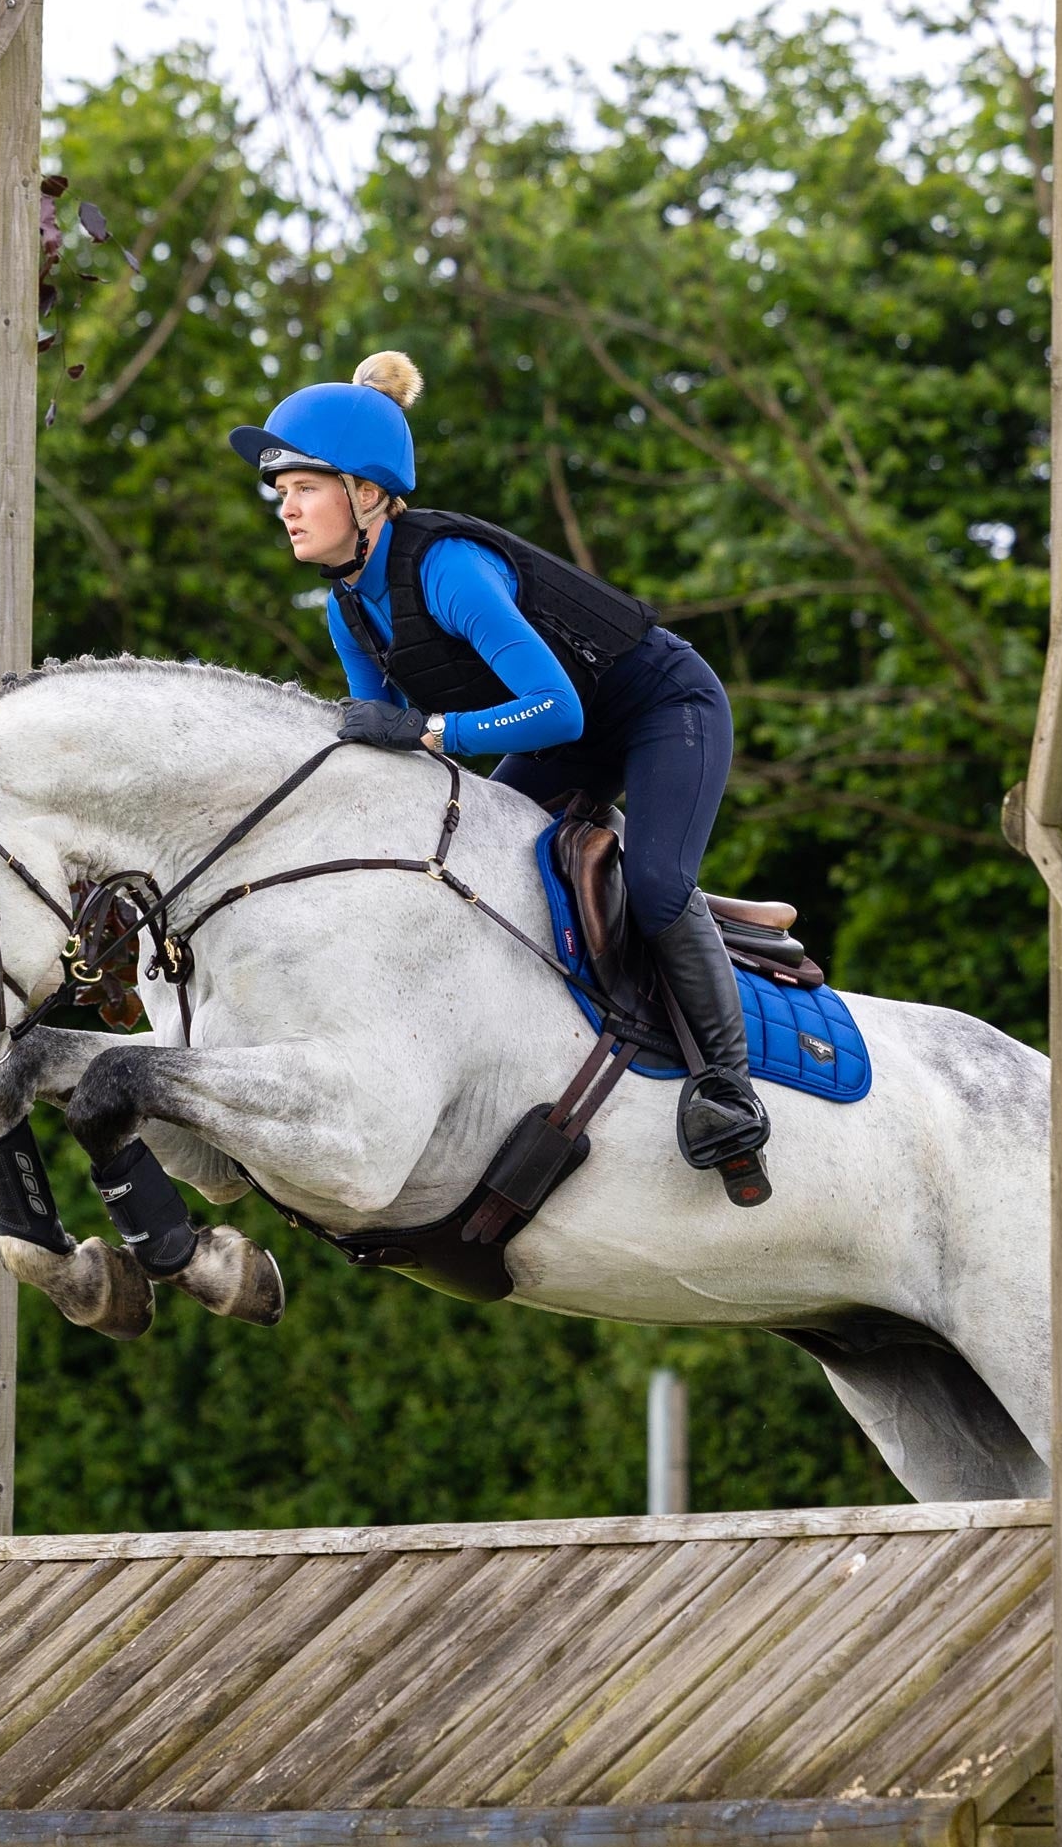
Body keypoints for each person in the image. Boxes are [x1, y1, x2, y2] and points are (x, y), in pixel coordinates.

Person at [229, 350, 772, 1206]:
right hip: (573, 735)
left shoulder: (446, 567)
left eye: (303, 487)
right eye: (281, 492)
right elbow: (392, 751)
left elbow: (556, 711)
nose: (286, 508)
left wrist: (431, 728)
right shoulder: (347, 604)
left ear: (366, 494)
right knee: (486, 860)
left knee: (660, 881)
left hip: (662, 707)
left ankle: (729, 1091)